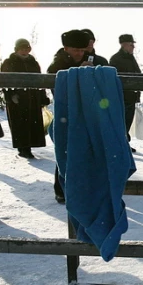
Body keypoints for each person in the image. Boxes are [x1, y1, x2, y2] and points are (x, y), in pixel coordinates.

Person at [48, 29, 95, 203]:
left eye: (82, 50)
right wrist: (77, 73)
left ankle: (81, 187)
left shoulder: (87, 60)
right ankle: (61, 188)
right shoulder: (56, 66)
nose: (80, 53)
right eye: (76, 50)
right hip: (65, 115)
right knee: (64, 151)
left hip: (83, 114)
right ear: (66, 48)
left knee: (81, 152)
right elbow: (58, 88)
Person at [1, 38, 49, 159]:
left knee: (32, 123)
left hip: (33, 97)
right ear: (17, 50)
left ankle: (30, 145)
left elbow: (39, 80)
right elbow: (4, 80)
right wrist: (10, 95)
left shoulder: (33, 62)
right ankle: (23, 148)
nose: (24, 51)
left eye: (26, 48)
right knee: (20, 124)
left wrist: (43, 97)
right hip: (18, 99)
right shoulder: (9, 62)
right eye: (21, 48)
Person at [110, 33, 142, 152]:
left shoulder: (130, 58)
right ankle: (121, 145)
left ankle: (124, 144)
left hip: (131, 96)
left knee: (127, 122)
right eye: (131, 44)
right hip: (122, 97)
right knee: (121, 122)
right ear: (124, 45)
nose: (133, 46)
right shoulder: (116, 59)